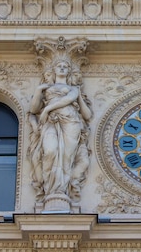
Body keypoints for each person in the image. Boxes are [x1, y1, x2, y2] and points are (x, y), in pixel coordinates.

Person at [28, 61, 92, 205]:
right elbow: (32, 110)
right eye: (59, 66)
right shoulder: (45, 88)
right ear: (53, 70)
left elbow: (82, 112)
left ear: (69, 71)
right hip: (50, 123)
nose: (62, 68)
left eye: (66, 66)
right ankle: (50, 189)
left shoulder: (74, 89)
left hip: (71, 122)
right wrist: (38, 91)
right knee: (50, 151)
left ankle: (61, 191)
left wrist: (46, 109)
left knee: (67, 157)